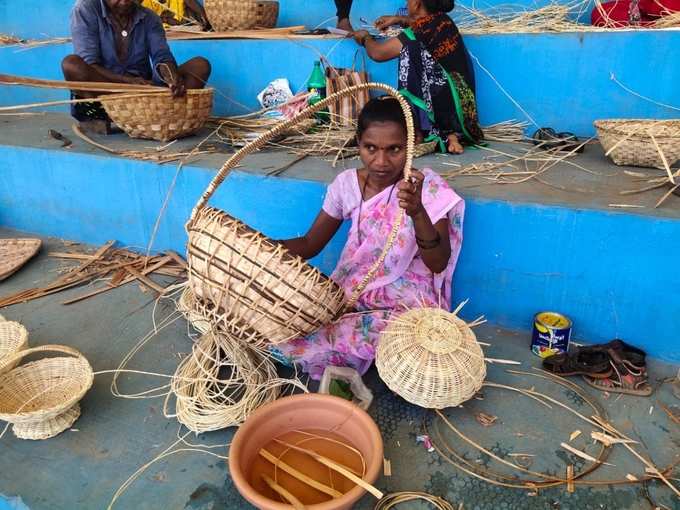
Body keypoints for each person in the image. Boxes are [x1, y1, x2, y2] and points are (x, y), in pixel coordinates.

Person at [271, 96, 465, 380]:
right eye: (370, 148)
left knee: (395, 335)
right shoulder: (346, 185)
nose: (382, 162)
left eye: (394, 149)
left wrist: (417, 211)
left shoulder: (426, 187)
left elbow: (437, 262)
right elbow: (311, 243)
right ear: (358, 143)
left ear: (411, 145)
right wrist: (258, 246)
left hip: (405, 301)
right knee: (290, 326)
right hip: (352, 291)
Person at [351, 0, 483, 154]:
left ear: (417, 3)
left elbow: (378, 53)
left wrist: (365, 38)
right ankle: (451, 135)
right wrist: (398, 20)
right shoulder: (443, 20)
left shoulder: (421, 29)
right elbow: (418, 24)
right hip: (465, 114)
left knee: (411, 49)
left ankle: (424, 130)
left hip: (447, 113)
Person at [62, 0, 211, 131]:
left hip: (144, 93)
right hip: (106, 90)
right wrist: (128, 82)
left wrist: (171, 77)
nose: (125, 1)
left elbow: (162, 56)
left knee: (200, 66)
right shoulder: (85, 9)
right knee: (72, 65)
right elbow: (90, 63)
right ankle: (110, 113)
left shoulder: (149, 17)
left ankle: (167, 116)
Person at [141, 0, 210, 30]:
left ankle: (206, 20)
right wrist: (165, 20)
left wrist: (205, 16)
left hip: (186, 23)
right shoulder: (146, 4)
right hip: (171, 30)